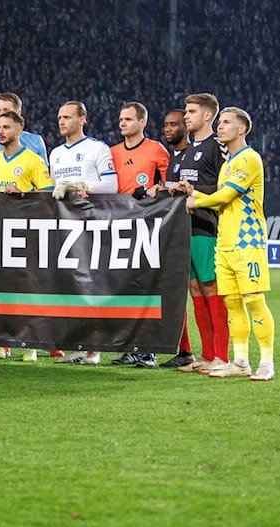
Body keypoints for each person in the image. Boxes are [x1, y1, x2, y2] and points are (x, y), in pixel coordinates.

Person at [183, 107, 274, 381]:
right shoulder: (226, 164)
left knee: (255, 301)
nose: (219, 127)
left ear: (241, 129)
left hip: (248, 241)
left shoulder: (249, 159)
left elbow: (225, 197)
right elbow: (221, 197)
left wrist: (197, 200)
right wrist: (194, 192)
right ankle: (241, 361)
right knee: (232, 304)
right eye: (219, 122)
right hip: (224, 242)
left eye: (225, 123)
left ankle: (267, 363)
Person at [0, 111, 54, 362]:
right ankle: (0, 345)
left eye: (6, 127)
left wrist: (23, 194)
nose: (0, 131)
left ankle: (30, 346)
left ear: (19, 130)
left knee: (26, 289)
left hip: (25, 234)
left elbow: (47, 194)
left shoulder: (32, 161)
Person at [49, 101, 117, 366]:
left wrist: (79, 184)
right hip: (66, 227)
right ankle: (78, 345)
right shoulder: (55, 154)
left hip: (93, 225)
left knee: (92, 286)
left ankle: (94, 348)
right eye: (59, 117)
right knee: (70, 286)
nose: (62, 121)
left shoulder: (97, 148)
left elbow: (112, 185)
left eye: (67, 117)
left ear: (82, 119)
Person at [170, 93, 230, 375]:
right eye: (186, 110)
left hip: (207, 227)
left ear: (208, 115)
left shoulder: (217, 148)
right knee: (195, 290)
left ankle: (221, 356)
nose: (186, 116)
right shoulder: (185, 151)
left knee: (210, 289)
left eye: (191, 111)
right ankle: (206, 356)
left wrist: (199, 198)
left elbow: (225, 190)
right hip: (185, 228)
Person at [109, 102, 170, 368]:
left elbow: (170, 185)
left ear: (142, 122)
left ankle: (149, 349)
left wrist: (156, 189)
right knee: (124, 288)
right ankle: (131, 347)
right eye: (121, 119)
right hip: (118, 226)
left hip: (148, 226)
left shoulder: (156, 150)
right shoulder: (112, 152)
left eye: (128, 119)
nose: (122, 123)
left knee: (146, 287)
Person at [154, 110, 197, 368]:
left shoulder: (194, 155)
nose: (168, 129)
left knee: (198, 291)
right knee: (175, 291)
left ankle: (213, 354)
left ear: (186, 127)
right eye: (166, 124)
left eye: (174, 124)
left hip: (197, 230)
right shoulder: (172, 158)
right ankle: (185, 350)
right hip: (175, 230)